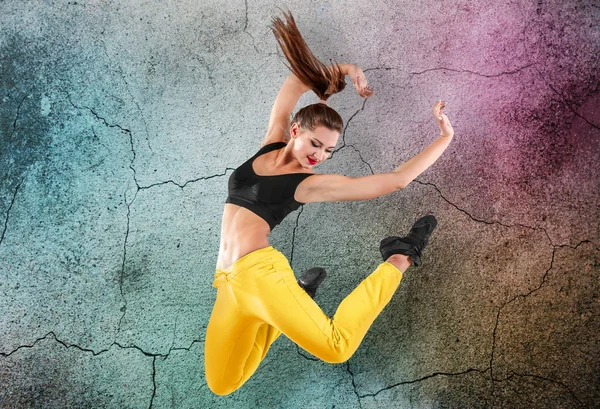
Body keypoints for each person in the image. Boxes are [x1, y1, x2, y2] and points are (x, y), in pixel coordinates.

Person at [204, 10, 454, 396]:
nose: (319, 156)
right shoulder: (271, 141)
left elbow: (396, 179)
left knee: (336, 347)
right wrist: (349, 69)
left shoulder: (307, 184)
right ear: (295, 131)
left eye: (328, 151)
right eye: (315, 144)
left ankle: (399, 258)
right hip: (228, 282)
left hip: (260, 274)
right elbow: (296, 81)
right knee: (222, 383)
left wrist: (444, 138)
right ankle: (298, 297)